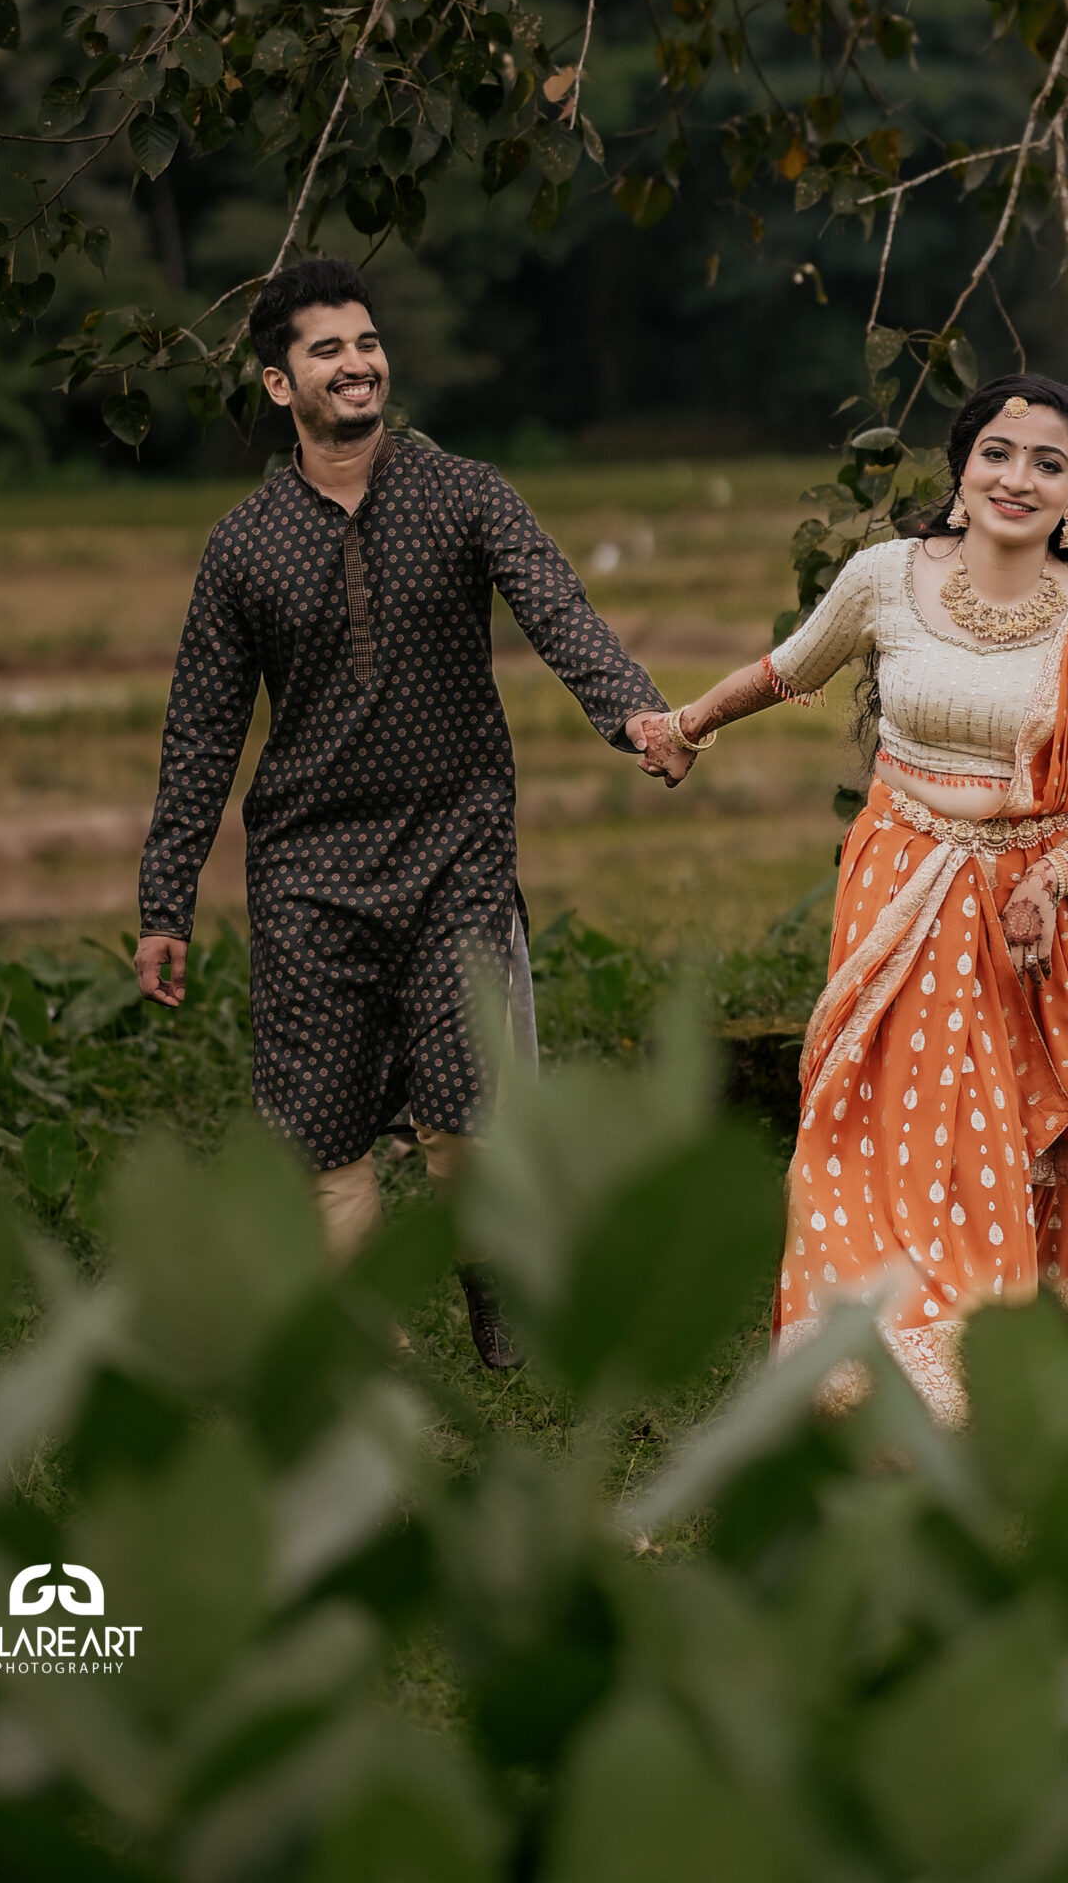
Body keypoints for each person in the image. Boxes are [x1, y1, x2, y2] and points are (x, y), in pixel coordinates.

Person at [134, 255, 692, 1363]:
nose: (356, 363)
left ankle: (501, 1315)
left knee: (468, 1117)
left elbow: (557, 607)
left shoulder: (466, 494)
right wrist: (164, 901)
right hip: (305, 869)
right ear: (278, 385)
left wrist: (631, 711)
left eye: (367, 341)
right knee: (321, 1136)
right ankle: (369, 1359)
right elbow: (199, 729)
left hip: (456, 853)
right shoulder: (242, 547)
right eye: (326, 349)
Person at [658, 373, 1068, 1421]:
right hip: (899, 889)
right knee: (872, 1130)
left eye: (1047, 462)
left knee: (1004, 1141)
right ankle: (875, 1376)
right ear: (960, 468)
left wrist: (1056, 872)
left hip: (1035, 915)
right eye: (997, 452)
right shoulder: (881, 578)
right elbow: (784, 668)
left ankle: (1008, 1371)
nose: (1016, 477)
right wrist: (686, 726)